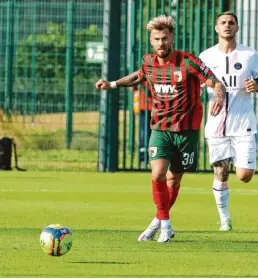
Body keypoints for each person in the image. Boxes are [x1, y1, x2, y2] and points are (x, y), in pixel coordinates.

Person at [95, 15, 226, 243]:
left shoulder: (188, 62)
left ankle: (157, 222)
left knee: (173, 181)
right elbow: (138, 76)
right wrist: (112, 84)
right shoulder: (148, 62)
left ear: (172, 38)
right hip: (160, 129)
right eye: (156, 39)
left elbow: (213, 79)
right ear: (151, 40)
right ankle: (166, 225)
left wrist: (220, 93)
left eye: (164, 38)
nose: (160, 44)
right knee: (157, 174)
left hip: (187, 131)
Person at [198, 11, 258, 232]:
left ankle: (227, 211)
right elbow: (199, 84)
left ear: (237, 28)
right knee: (221, 171)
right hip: (216, 122)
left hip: (243, 122)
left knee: (244, 176)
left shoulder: (250, 54)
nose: (227, 26)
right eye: (223, 23)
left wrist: (256, 87)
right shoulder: (206, 56)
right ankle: (225, 219)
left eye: (231, 23)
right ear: (216, 28)